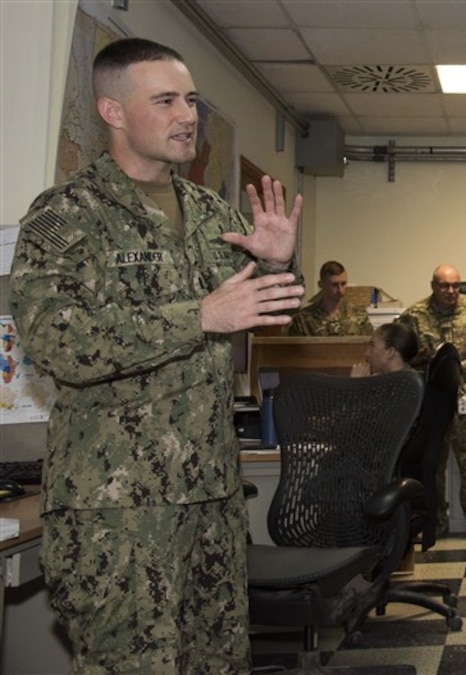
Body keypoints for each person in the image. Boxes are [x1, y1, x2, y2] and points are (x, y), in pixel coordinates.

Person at [9, 37, 305, 672]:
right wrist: (198, 316)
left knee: (219, 660)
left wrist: (278, 264)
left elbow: (272, 310)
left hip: (211, 494)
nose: (187, 115)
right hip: (118, 506)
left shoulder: (206, 210)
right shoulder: (66, 215)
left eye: (191, 100)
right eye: (166, 100)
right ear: (113, 111)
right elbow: (56, 341)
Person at [399, 264, 466, 543]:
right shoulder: (414, 315)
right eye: (444, 286)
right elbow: (401, 350)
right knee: (431, 464)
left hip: (464, 392)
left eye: (456, 285)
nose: (451, 291)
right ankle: (436, 521)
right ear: (433, 285)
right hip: (429, 393)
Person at [288, 260, 374, 336]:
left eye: (343, 284)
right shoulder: (303, 319)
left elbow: (369, 347)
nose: (340, 290)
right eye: (334, 285)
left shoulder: (359, 315)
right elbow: (294, 352)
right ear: (321, 285)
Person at [353, 321, 417, 376]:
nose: (366, 354)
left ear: (390, 352)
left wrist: (357, 383)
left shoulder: (403, 385)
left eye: (372, 346)